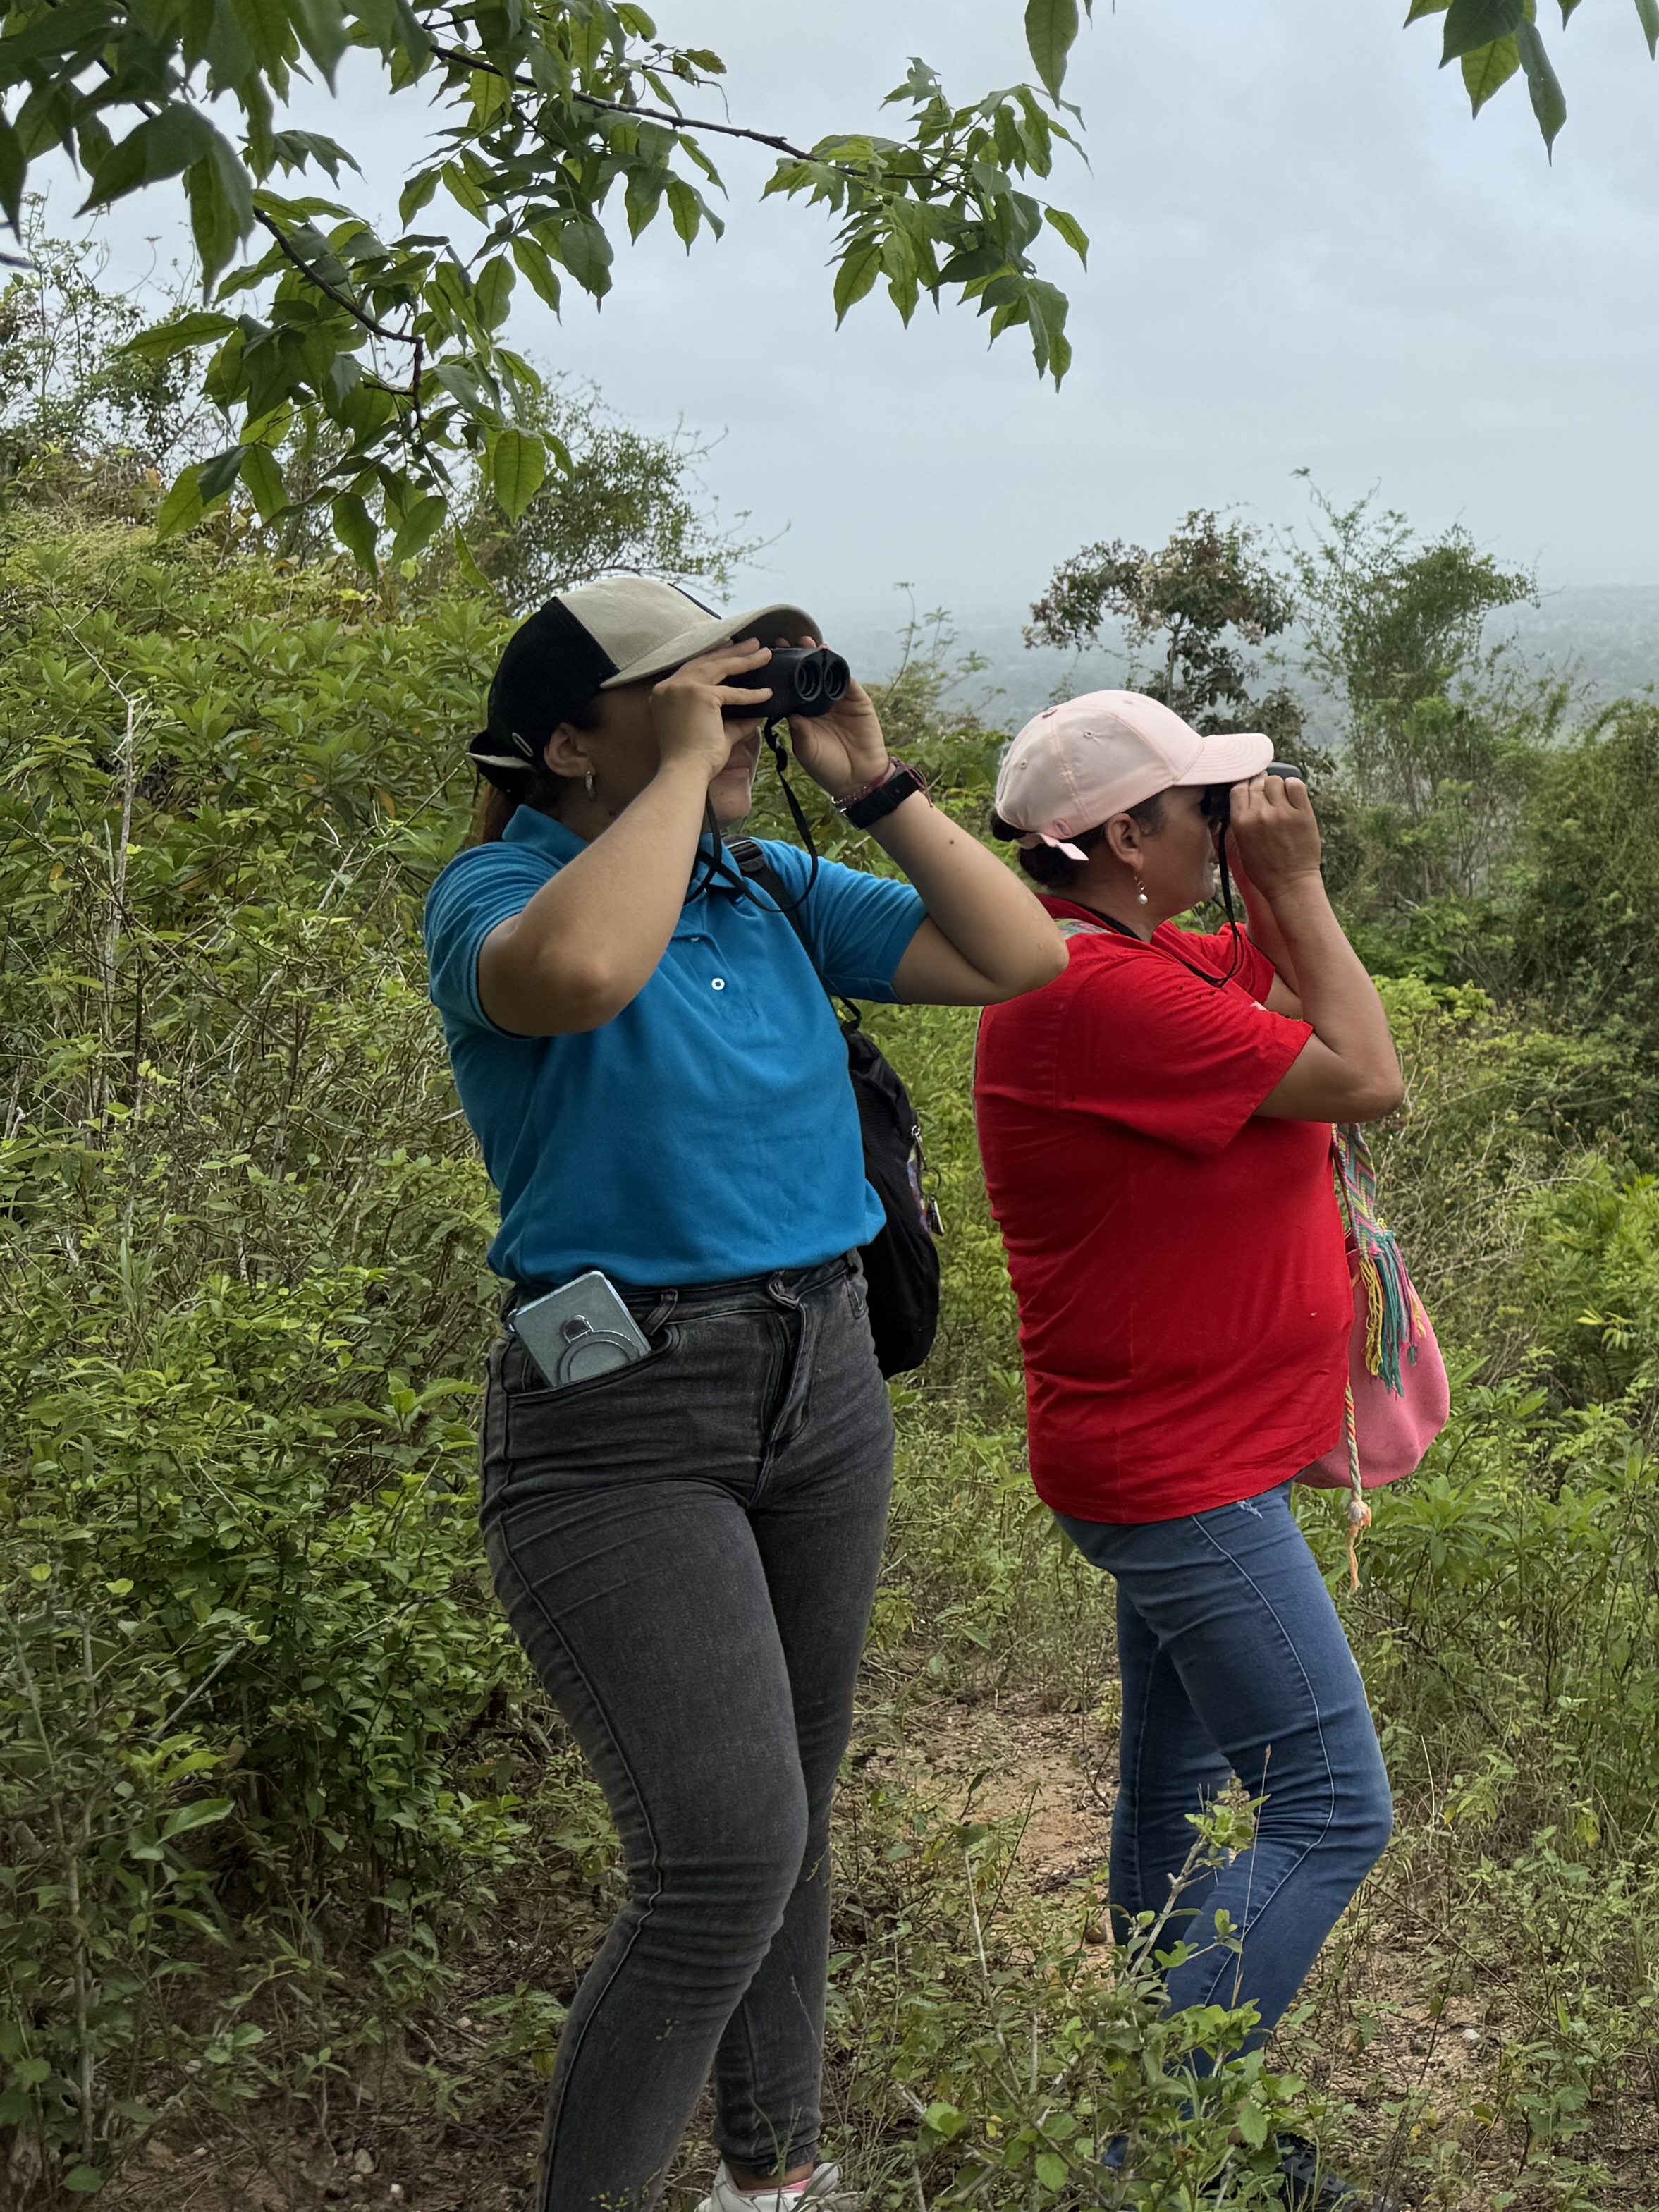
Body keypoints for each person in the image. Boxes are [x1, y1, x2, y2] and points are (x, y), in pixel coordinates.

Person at [425, 575, 1067, 2212]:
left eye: (737, 687)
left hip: (823, 1376)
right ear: (569, 744)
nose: (727, 712)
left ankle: (773, 2180)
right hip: (620, 1415)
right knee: (719, 1858)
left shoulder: (763, 884)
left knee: (791, 1810)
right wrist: (675, 775)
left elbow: (1021, 955)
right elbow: (579, 974)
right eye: (680, 690)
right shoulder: (497, 891)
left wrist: (872, 782)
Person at [970, 691, 1410, 2169]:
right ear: (1119, 838)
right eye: (1202, 811)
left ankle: (1172, 2118)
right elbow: (1367, 1074)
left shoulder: (1138, 955)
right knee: (1333, 1812)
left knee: (1176, 1789)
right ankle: (1165, 2137)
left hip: (1189, 1460)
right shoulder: (1092, 992)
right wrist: (1297, 880)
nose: (1227, 828)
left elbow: (1281, 975)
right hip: (1178, 1479)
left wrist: (1265, 882)